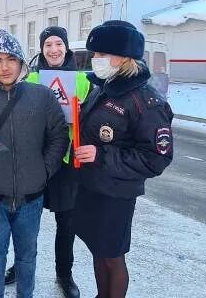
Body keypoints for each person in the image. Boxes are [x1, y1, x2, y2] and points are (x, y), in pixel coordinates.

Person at [0, 29, 70, 298]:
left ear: (21, 62)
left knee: (27, 255)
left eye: (10, 59)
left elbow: (58, 136)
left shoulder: (41, 96)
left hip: (32, 196)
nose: (4, 67)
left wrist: (44, 170)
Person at [71, 20, 174, 298]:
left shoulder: (146, 101)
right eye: (94, 55)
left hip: (116, 193)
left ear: (124, 57)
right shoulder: (104, 86)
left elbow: (156, 158)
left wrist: (101, 154)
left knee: (113, 257)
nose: (96, 60)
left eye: (101, 54)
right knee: (98, 249)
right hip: (92, 186)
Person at [5, 26, 90, 298]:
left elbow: (90, 121)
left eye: (58, 44)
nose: (53, 49)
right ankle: (20, 267)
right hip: (35, 160)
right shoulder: (29, 80)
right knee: (26, 223)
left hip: (66, 163)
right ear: (41, 49)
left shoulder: (82, 81)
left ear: (66, 47)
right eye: (48, 44)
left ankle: (64, 275)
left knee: (67, 225)